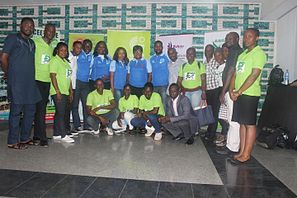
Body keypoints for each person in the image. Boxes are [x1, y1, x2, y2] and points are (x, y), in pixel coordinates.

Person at [1, 17, 41, 149]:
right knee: (16, 112)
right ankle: (12, 141)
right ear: (20, 26)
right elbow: (3, 57)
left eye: (32, 26)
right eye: (27, 25)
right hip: (17, 83)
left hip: (30, 83)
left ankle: (25, 138)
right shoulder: (12, 38)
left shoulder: (32, 43)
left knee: (30, 111)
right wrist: (8, 73)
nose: (29, 28)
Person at [229, 28, 266, 163]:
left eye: (250, 36)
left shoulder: (259, 54)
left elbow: (254, 75)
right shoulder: (243, 54)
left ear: (257, 38)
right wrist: (231, 90)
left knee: (250, 124)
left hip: (250, 94)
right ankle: (242, 151)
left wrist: (239, 91)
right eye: (245, 36)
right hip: (238, 94)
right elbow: (235, 74)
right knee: (242, 123)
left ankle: (247, 154)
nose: (246, 39)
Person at [217, 32, 243, 155]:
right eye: (227, 38)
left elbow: (231, 72)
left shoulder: (235, 51)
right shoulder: (234, 51)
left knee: (233, 120)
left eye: (230, 38)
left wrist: (223, 91)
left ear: (237, 39)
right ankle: (231, 144)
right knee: (230, 119)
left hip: (230, 90)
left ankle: (232, 147)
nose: (228, 40)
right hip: (230, 90)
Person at [33, 23, 56, 147]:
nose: (51, 33)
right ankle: (42, 138)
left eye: (53, 32)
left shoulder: (51, 46)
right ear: (44, 31)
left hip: (46, 82)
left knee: (40, 109)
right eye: (49, 31)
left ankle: (37, 135)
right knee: (40, 109)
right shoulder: (35, 43)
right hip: (36, 80)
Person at [50, 42, 74, 143]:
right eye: (61, 50)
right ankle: (64, 135)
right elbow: (52, 76)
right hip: (58, 91)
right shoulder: (55, 60)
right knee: (61, 113)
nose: (64, 52)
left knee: (59, 113)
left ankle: (56, 134)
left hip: (65, 91)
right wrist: (57, 91)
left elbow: (69, 78)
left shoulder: (65, 62)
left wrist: (71, 92)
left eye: (65, 50)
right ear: (57, 50)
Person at [72, 39, 93, 131]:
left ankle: (86, 125)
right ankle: (77, 125)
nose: (87, 47)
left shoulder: (92, 56)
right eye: (86, 45)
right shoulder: (78, 54)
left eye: (89, 46)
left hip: (86, 83)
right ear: (83, 46)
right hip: (77, 82)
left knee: (86, 105)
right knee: (75, 104)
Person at [204, 44, 221, 141]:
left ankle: (212, 134)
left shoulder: (216, 62)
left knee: (214, 113)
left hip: (215, 90)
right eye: (206, 50)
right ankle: (209, 131)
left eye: (210, 50)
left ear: (213, 52)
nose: (207, 52)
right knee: (209, 113)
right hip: (207, 91)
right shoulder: (204, 63)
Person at [214, 48, 229, 147]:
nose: (217, 57)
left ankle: (224, 135)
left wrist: (224, 92)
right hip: (218, 90)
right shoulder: (217, 67)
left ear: (223, 55)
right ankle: (224, 134)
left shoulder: (227, 66)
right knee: (218, 114)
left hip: (225, 90)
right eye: (215, 56)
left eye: (219, 55)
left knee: (224, 115)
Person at [68, 41, 83, 135]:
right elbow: (68, 75)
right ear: (73, 47)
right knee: (68, 108)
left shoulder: (75, 57)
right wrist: (70, 90)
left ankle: (76, 126)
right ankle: (66, 128)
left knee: (73, 106)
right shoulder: (68, 57)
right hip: (68, 86)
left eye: (80, 48)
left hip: (74, 85)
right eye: (77, 47)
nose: (79, 49)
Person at [150, 41, 169, 108]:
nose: (158, 48)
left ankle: (163, 117)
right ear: (154, 48)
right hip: (154, 85)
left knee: (163, 103)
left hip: (164, 85)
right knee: (155, 104)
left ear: (162, 47)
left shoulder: (166, 58)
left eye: (159, 46)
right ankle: (156, 118)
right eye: (156, 46)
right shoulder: (151, 58)